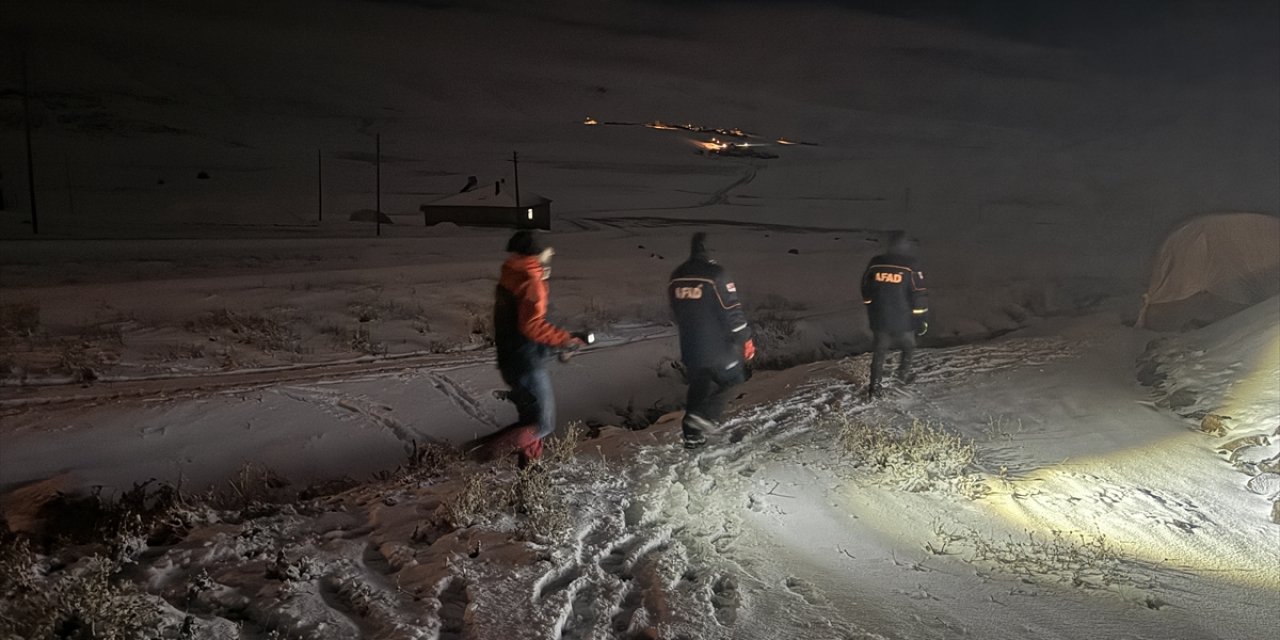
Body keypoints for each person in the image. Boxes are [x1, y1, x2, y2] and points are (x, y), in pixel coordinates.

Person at [486, 230, 587, 464]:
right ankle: (486, 452)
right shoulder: (530, 281)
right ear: (536, 252)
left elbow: (518, 326)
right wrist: (563, 340)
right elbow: (532, 327)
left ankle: (530, 475)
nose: (552, 252)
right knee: (543, 424)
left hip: (512, 358)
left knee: (529, 422)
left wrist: (557, 343)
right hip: (527, 362)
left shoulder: (513, 275)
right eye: (548, 248)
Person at [668, 232, 756, 449]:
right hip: (718, 346)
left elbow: (675, 312)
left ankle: (692, 435)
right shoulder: (716, 275)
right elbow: (732, 312)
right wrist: (746, 340)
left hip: (690, 345)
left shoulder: (677, 275)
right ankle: (705, 417)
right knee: (734, 378)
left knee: (699, 382)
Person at [860, 230, 929, 399]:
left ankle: (874, 387)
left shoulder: (876, 262)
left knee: (879, 352)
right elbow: (919, 295)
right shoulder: (911, 265)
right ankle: (902, 376)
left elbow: (865, 287)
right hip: (903, 321)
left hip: (880, 319)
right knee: (909, 346)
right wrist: (921, 320)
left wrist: (871, 307)